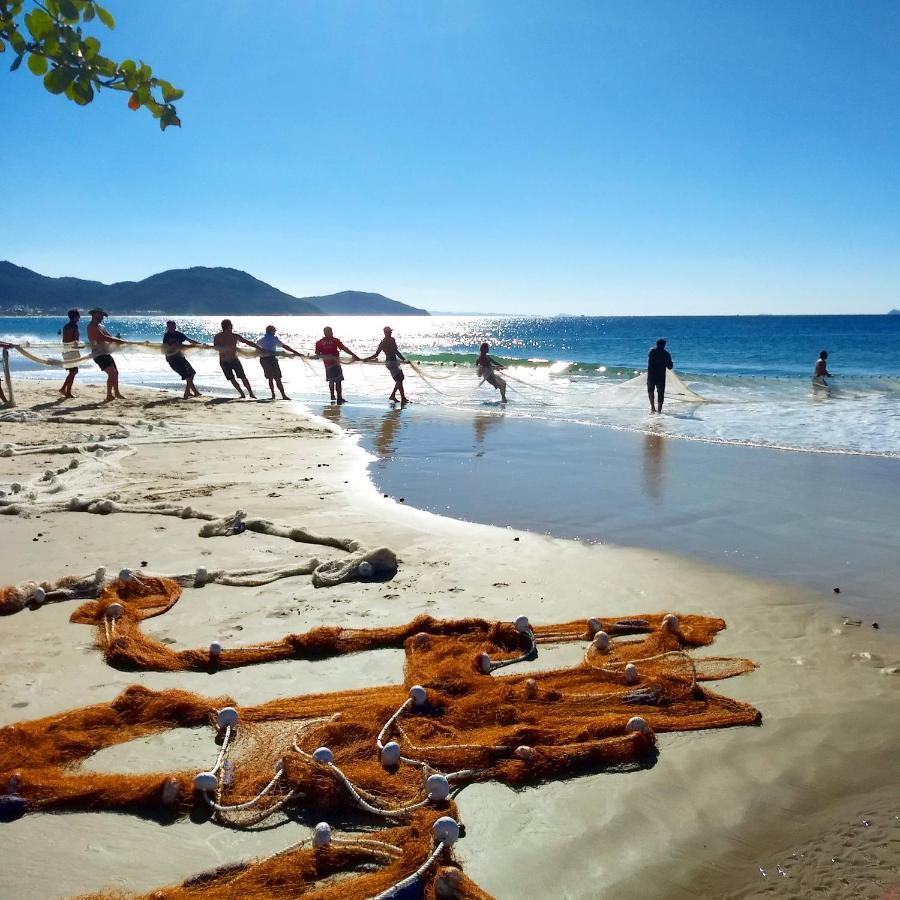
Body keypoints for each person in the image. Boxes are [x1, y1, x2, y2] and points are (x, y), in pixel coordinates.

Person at [86, 308, 125, 401]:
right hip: (98, 354)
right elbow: (103, 337)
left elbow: (109, 336)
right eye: (100, 315)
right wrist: (118, 341)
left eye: (102, 315)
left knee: (116, 373)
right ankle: (108, 395)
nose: (102, 317)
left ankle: (116, 393)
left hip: (105, 353)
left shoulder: (100, 326)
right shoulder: (92, 326)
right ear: (94, 314)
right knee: (112, 374)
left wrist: (116, 338)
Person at [314, 326, 360, 404]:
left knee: (331, 380)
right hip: (334, 364)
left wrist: (323, 355)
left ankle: (333, 396)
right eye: (329, 331)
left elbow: (317, 353)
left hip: (328, 364)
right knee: (338, 381)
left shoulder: (319, 342)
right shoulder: (334, 340)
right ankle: (339, 398)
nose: (331, 333)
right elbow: (345, 349)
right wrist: (354, 355)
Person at [213, 319, 257, 399]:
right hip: (232, 360)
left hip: (224, 361)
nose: (232, 327)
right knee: (240, 377)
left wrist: (257, 347)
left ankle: (245, 394)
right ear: (229, 326)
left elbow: (215, 348)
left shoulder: (218, 336)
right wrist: (258, 347)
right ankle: (249, 394)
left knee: (234, 378)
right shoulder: (234, 336)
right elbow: (247, 342)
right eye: (231, 326)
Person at [256, 325, 301, 400]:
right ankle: (283, 395)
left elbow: (256, 347)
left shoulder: (261, 339)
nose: (275, 332)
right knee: (277, 378)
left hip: (263, 360)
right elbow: (285, 346)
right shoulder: (274, 338)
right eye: (274, 331)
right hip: (271, 359)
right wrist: (295, 352)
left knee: (270, 378)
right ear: (271, 331)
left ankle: (273, 395)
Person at [365, 326, 408, 403]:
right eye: (390, 332)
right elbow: (396, 351)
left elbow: (376, 354)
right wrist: (404, 359)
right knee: (400, 379)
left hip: (389, 362)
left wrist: (367, 359)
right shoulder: (391, 340)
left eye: (391, 332)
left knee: (399, 379)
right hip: (393, 362)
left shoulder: (382, 342)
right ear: (386, 333)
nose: (391, 333)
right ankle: (394, 395)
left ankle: (401, 397)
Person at [162, 321, 201, 399]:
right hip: (173, 360)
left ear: (175, 327)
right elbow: (164, 347)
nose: (170, 328)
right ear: (167, 328)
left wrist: (200, 345)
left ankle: (187, 392)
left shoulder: (179, 334)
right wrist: (166, 356)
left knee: (192, 373)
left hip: (181, 357)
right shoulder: (166, 336)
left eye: (172, 327)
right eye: (169, 327)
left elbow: (189, 341)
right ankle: (195, 393)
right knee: (188, 376)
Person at [646, 338, 673, 414]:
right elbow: (670, 367)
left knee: (650, 391)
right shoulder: (666, 354)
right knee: (660, 393)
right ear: (664, 345)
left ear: (657, 344)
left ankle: (652, 407)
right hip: (661, 376)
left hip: (651, 375)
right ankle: (659, 411)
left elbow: (650, 357)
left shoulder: (652, 351)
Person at [59, 309, 81, 399]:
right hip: (72, 351)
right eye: (78, 316)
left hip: (65, 350)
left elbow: (64, 340)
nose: (79, 318)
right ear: (75, 317)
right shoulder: (74, 326)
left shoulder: (65, 326)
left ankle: (64, 389)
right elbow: (76, 341)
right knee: (73, 371)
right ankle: (67, 392)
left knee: (72, 371)